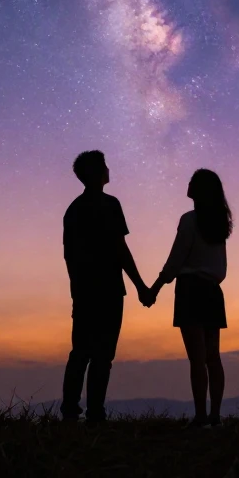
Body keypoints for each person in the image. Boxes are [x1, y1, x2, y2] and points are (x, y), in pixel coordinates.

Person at [60, 150, 153, 423]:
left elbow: (69, 255)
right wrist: (140, 286)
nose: (109, 169)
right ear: (98, 173)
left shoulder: (73, 210)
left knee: (81, 351)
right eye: (105, 166)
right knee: (102, 355)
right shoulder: (109, 204)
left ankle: (70, 412)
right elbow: (119, 249)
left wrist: (76, 287)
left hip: (84, 290)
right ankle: (95, 414)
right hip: (109, 289)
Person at [148, 168, 232, 427]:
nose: (188, 184)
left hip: (190, 291)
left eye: (192, 182)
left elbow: (175, 260)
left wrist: (155, 287)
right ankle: (215, 415)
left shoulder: (189, 221)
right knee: (212, 357)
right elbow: (221, 267)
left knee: (197, 359)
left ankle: (200, 416)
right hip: (212, 291)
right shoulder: (219, 224)